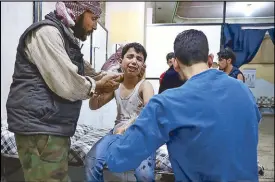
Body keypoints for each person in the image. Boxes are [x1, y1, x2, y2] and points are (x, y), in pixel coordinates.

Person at [103, 29, 261, 181]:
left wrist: (118, 134)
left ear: (175, 64)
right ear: (210, 59)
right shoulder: (244, 91)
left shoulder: (166, 103)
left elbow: (117, 160)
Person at [6, 2, 121, 182]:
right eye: (94, 18)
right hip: (40, 127)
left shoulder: (64, 36)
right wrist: (98, 85)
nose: (95, 26)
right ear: (78, 12)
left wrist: (108, 78)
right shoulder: (47, 33)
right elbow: (68, 83)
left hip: (50, 126)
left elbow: (84, 71)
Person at [85, 43, 155, 182]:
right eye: (130, 57)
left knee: (145, 174)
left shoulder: (145, 86)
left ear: (142, 65)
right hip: (116, 134)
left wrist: (127, 127)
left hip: (140, 135)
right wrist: (98, 88)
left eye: (139, 59)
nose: (134, 61)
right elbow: (94, 106)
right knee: (90, 161)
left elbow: (150, 113)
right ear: (121, 61)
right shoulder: (115, 85)